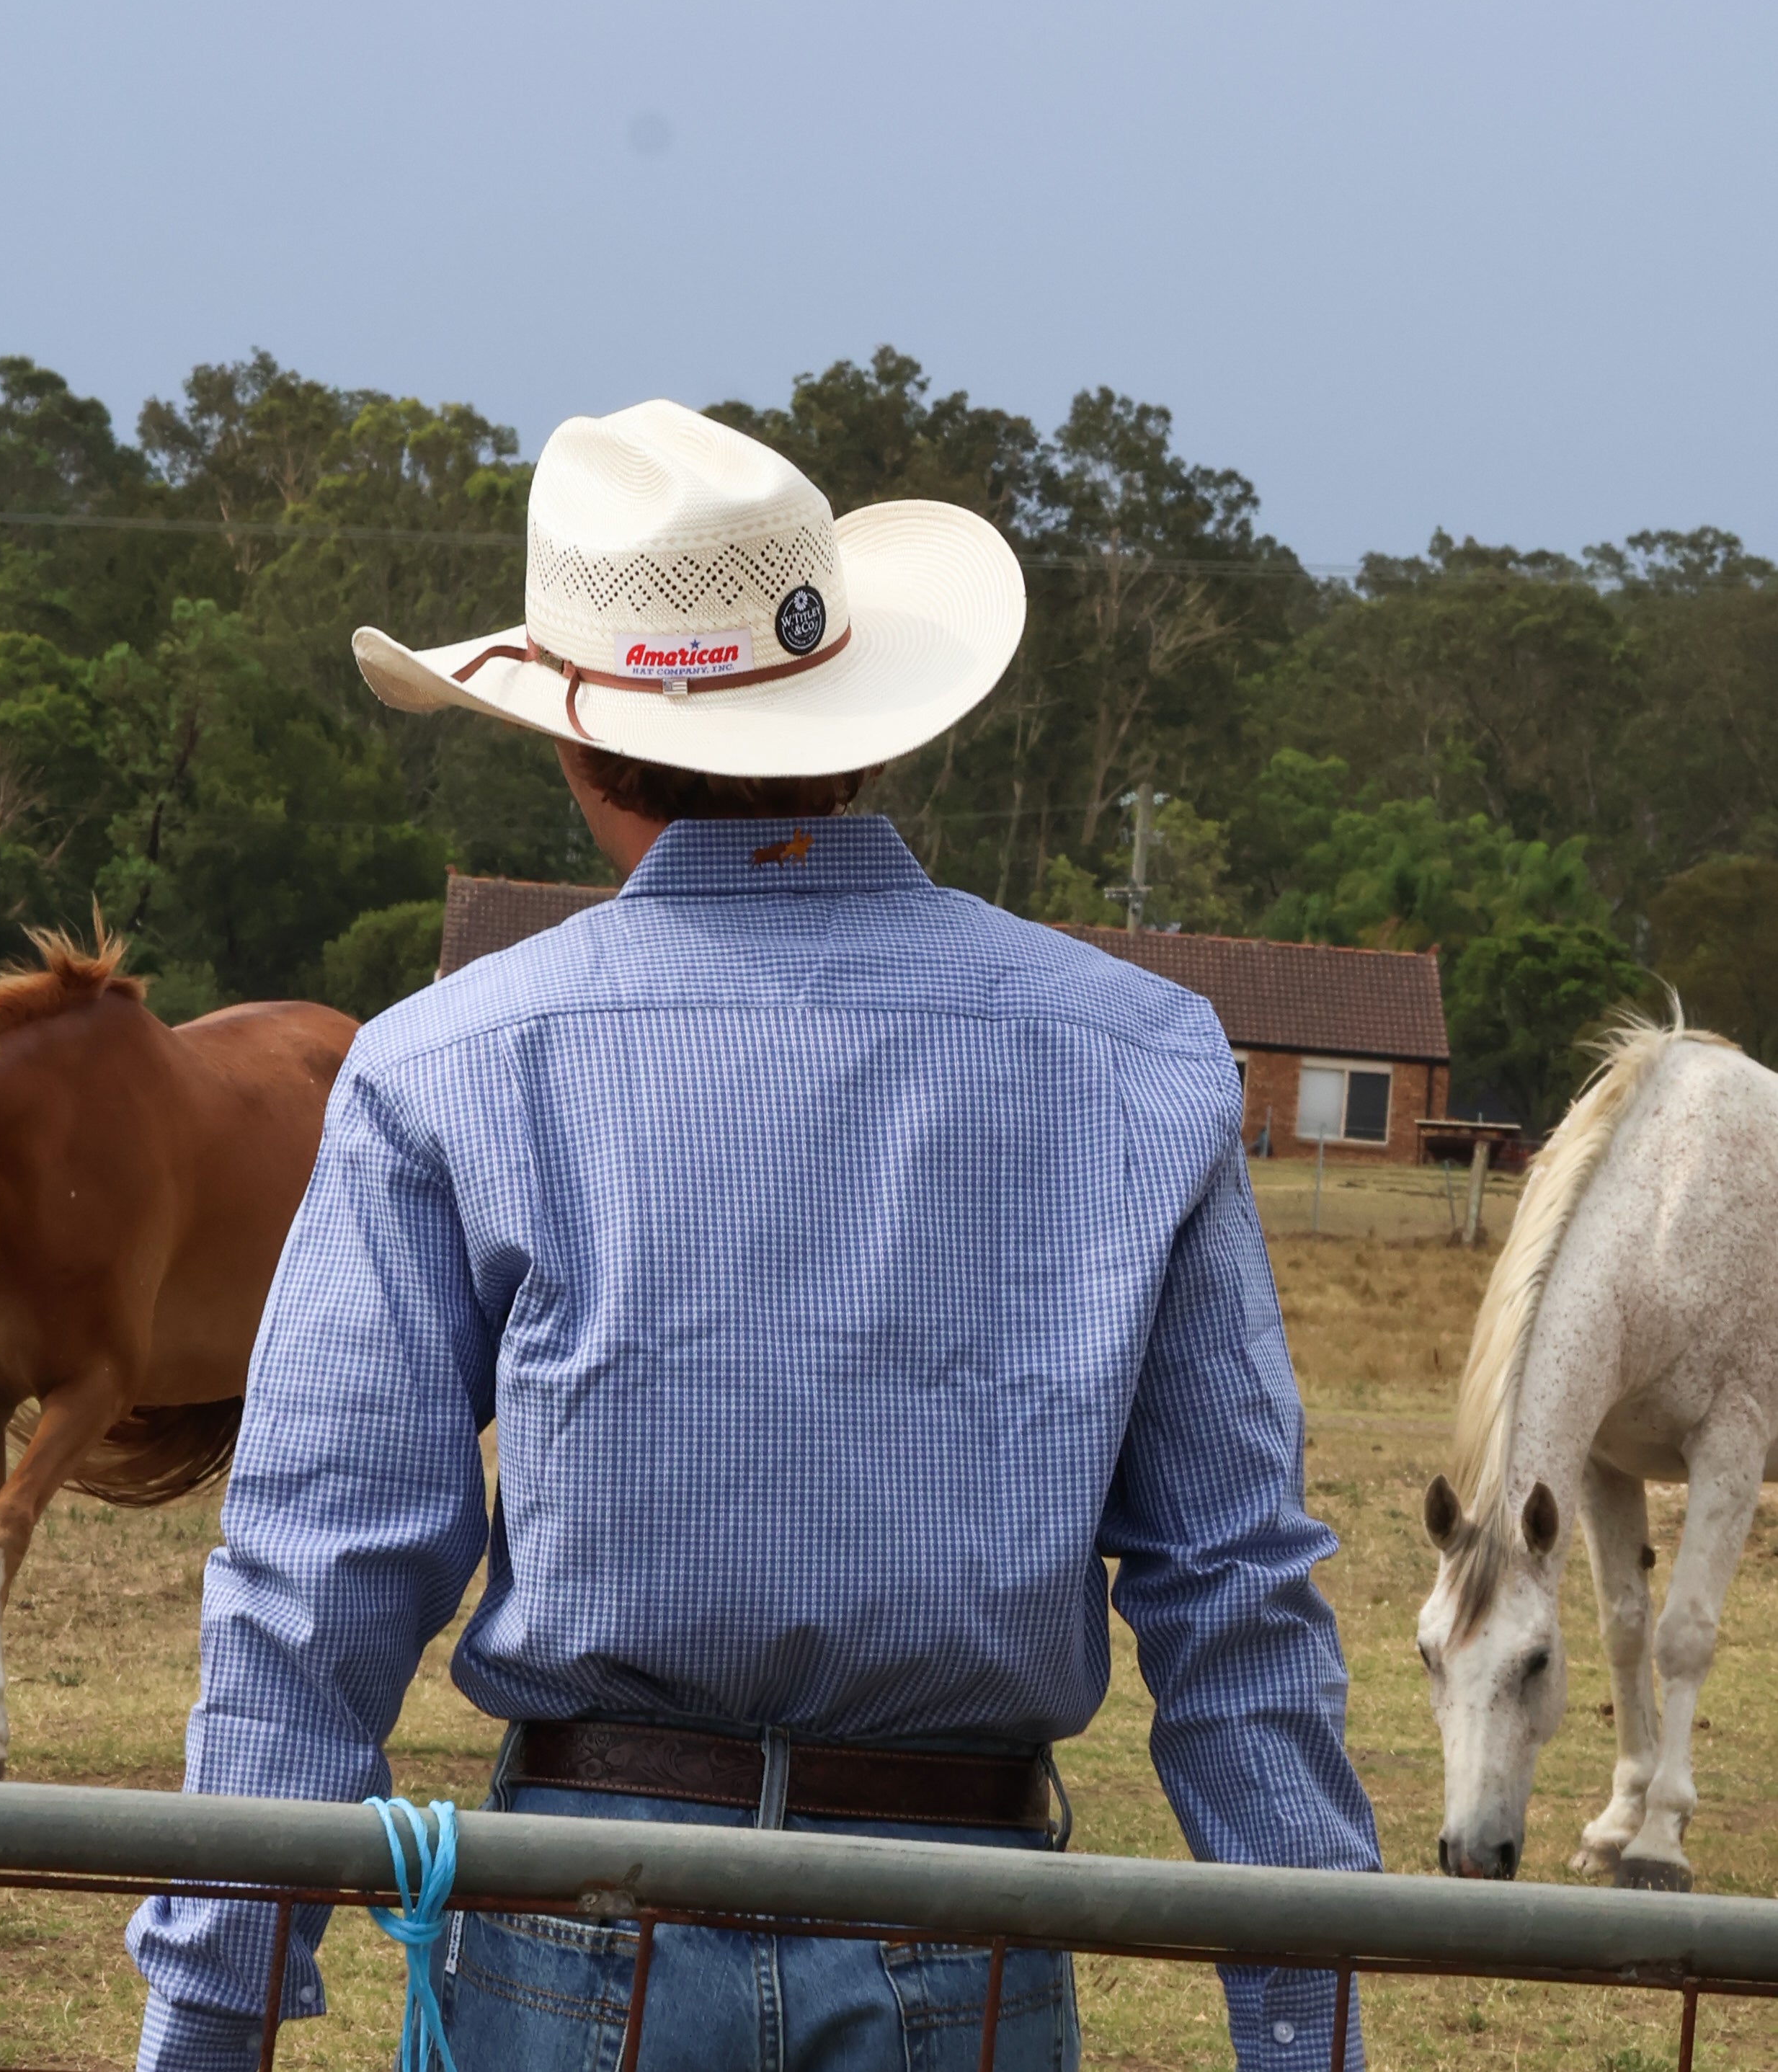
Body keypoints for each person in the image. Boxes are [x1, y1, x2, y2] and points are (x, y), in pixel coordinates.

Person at [128, 397, 1379, 2071]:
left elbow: (318, 1570)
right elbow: (1231, 1588)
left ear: (573, 746)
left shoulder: (450, 1065)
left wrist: (207, 2017)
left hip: (583, 1921)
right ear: (865, 724)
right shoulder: (1135, 1056)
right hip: (968, 1936)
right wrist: (1306, 2035)